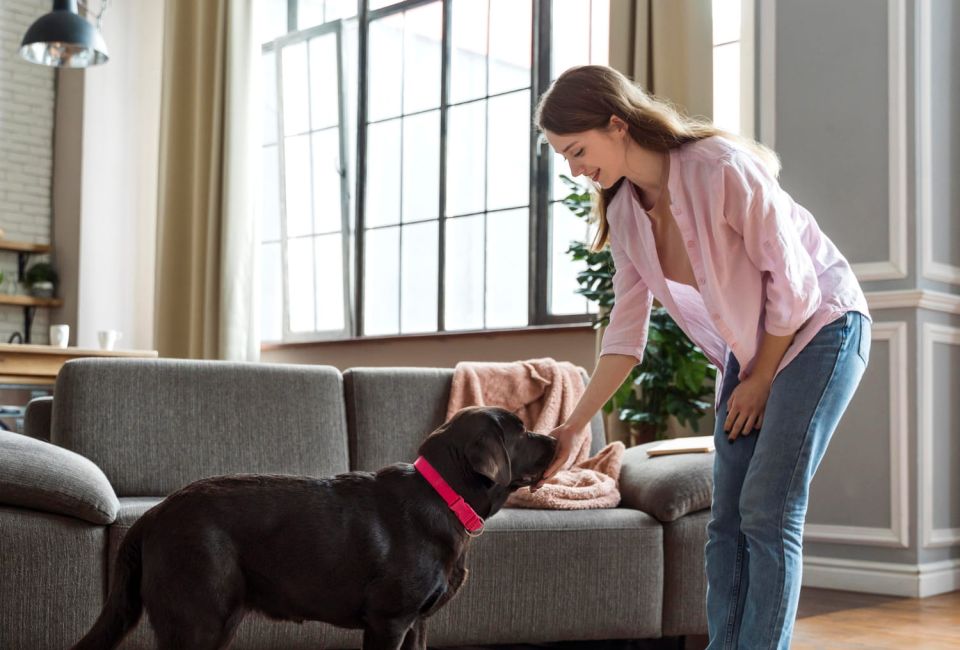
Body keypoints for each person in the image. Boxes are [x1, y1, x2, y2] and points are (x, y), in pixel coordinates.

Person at [534, 65, 871, 650]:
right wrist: (572, 426)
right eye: (563, 156)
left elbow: (794, 284)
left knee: (767, 509)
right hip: (752, 347)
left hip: (820, 327)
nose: (574, 168)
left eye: (577, 149)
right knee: (725, 523)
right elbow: (623, 336)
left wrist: (762, 376)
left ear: (617, 124)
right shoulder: (625, 216)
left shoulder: (718, 167)